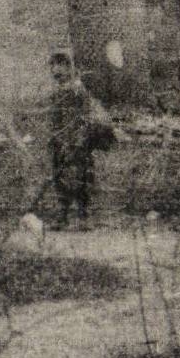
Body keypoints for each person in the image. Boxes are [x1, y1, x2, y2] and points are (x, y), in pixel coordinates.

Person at [48, 49, 114, 226]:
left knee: (81, 178)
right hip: (60, 141)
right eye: (53, 67)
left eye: (60, 67)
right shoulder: (56, 92)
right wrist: (56, 138)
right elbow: (55, 120)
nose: (56, 71)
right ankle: (63, 217)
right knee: (60, 178)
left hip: (77, 141)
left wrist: (77, 140)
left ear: (68, 68)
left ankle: (84, 218)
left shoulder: (78, 91)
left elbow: (85, 117)